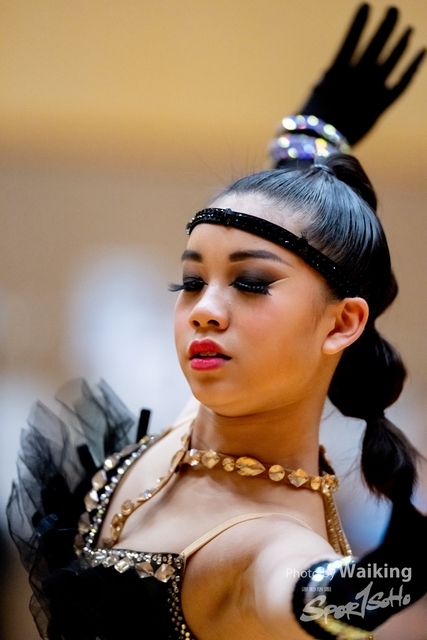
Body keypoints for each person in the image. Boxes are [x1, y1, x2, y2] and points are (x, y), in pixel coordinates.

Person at [7, 5, 427, 640]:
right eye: (191, 281)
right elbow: (285, 229)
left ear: (342, 323)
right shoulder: (200, 428)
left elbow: (320, 597)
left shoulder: (271, 539)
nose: (204, 308)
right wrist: (308, 137)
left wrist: (401, 570)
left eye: (251, 284)